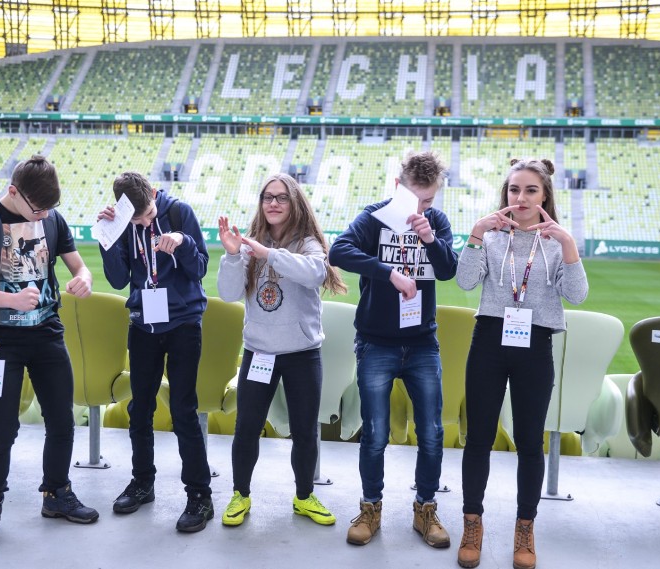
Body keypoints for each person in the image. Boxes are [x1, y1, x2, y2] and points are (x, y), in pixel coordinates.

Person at [0, 155, 99, 548]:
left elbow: (80, 268)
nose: (43, 216)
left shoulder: (52, 218)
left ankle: (56, 494)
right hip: (1, 341)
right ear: (14, 192)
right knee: (2, 429)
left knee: (62, 421)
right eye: (37, 209)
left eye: (49, 209)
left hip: (48, 333)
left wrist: (83, 281)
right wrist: (9, 299)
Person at [454, 158, 589, 569]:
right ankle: (472, 523)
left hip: (536, 342)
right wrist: (477, 234)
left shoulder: (555, 240)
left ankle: (524, 529)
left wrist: (568, 246)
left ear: (545, 195)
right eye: (514, 190)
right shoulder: (492, 236)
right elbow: (464, 281)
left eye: (531, 190)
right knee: (478, 438)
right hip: (490, 340)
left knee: (530, 443)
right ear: (505, 194)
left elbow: (577, 295)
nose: (521, 197)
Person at [328, 150, 458, 548]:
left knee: (432, 433)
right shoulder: (374, 217)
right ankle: (370, 508)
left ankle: (426, 508)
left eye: (429, 201)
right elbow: (338, 251)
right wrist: (389, 272)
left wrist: (430, 238)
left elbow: (449, 269)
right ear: (397, 187)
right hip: (376, 342)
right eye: (415, 199)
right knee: (375, 434)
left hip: (422, 343)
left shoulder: (435, 222)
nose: (421, 208)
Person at [216, 173, 347, 528]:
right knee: (246, 428)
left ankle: (304, 496)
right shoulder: (247, 245)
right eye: (267, 197)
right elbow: (228, 293)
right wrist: (232, 256)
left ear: (295, 203)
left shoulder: (308, 243)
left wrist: (268, 254)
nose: (273, 203)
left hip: (302, 353)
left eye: (281, 197)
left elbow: (315, 274)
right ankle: (240, 494)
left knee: (305, 430)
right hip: (259, 352)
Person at [97, 172, 213, 532]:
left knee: (183, 410)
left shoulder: (179, 213)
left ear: (153, 193)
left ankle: (199, 496)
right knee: (140, 407)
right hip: (143, 324)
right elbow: (118, 279)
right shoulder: (122, 224)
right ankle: (143, 482)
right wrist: (108, 238)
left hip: (183, 324)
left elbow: (201, 269)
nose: (146, 222)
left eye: (148, 213)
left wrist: (181, 242)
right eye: (137, 219)